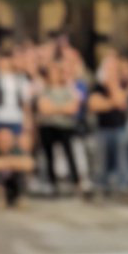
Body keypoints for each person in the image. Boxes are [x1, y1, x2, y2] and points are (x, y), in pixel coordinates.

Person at [36, 61, 82, 195]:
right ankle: (52, 182)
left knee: (70, 154)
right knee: (49, 155)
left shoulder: (68, 89)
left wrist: (54, 108)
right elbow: (43, 108)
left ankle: (76, 181)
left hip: (65, 126)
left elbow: (73, 108)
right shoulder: (44, 90)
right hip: (47, 126)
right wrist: (62, 108)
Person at [89, 55, 128, 195]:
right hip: (102, 128)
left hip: (119, 128)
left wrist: (113, 88)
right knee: (101, 160)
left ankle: (121, 185)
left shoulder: (121, 84)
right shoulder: (98, 86)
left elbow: (122, 102)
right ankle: (101, 184)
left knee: (121, 159)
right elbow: (94, 105)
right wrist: (113, 102)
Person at [0, 126, 36, 209]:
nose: (4, 143)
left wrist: (4, 162)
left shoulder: (17, 151)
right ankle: (0, 199)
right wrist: (13, 162)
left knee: (20, 172)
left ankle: (21, 198)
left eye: (7, 140)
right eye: (1, 140)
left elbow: (30, 164)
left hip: (14, 185)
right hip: (1, 187)